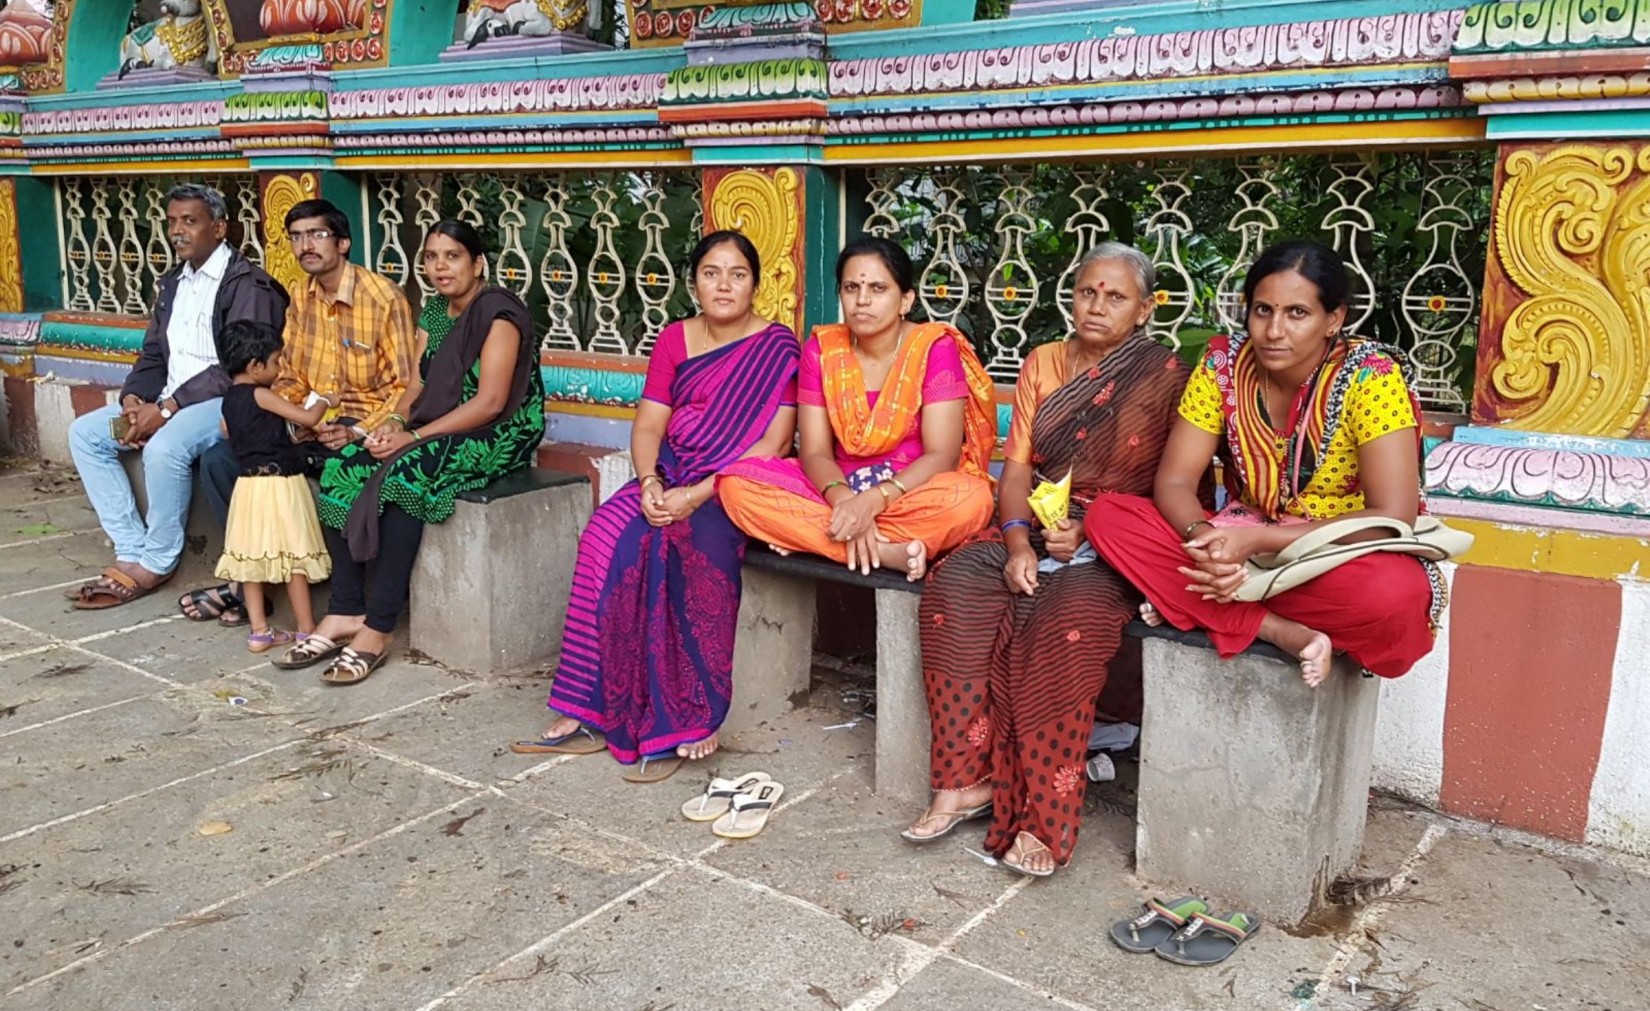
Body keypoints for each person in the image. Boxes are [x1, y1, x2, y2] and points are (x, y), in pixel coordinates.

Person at [903, 244, 1194, 878]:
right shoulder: (1044, 362)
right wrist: (1013, 541)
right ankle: (962, 781)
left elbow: (1172, 487)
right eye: (1088, 291)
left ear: (1144, 309)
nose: (1097, 306)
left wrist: (1091, 530)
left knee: (1062, 626)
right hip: (1033, 525)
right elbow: (1018, 471)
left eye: (1116, 297)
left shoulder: (1165, 375)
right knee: (954, 589)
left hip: (1116, 539)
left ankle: (1044, 818)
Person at [511, 231, 801, 782]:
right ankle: (593, 706)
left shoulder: (779, 347)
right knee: (605, 537)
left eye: (737, 273)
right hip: (668, 473)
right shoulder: (675, 338)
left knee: (682, 548)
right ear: (694, 281)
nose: (724, 284)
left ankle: (687, 719)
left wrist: (698, 495)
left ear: (756, 285)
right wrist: (647, 483)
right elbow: (648, 423)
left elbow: (772, 445)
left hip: (731, 485)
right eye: (712, 272)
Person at [1089, 239, 1441, 687]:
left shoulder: (1370, 377)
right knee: (1110, 517)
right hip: (1235, 544)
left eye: (1297, 313)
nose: (1274, 331)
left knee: (1394, 596)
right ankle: (1277, 629)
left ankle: (1195, 603)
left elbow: (1393, 514)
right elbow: (1175, 480)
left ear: (1334, 319)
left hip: (1333, 554)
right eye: (1262, 311)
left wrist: (1259, 541)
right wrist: (1206, 538)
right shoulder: (1222, 364)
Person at [272, 219, 545, 684]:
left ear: (477, 263)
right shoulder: (436, 313)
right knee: (343, 467)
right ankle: (345, 611)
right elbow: (416, 385)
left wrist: (414, 439)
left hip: (499, 431)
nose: (441, 267)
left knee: (404, 478)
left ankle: (378, 628)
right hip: (435, 423)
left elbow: (492, 402)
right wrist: (392, 425)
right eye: (432, 257)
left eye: (452, 256)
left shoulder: (497, 313)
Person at [179, 198, 416, 628]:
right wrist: (283, 419)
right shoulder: (300, 298)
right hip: (303, 422)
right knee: (220, 459)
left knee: (336, 474)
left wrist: (356, 429)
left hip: (358, 424)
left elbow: (402, 386)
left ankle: (270, 593)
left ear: (343, 243)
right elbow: (286, 375)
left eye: (317, 234)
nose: (306, 245)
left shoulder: (383, 298)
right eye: (297, 237)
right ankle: (252, 577)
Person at [718, 237, 995, 581]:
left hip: (909, 493)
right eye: (851, 287)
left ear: (905, 300)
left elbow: (943, 455)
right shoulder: (822, 349)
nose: (862, 300)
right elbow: (816, 451)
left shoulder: (933, 348)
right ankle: (883, 551)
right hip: (836, 488)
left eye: (878, 288)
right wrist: (845, 501)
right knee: (736, 486)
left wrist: (872, 502)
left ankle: (815, 539)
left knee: (972, 500)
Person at [68, 183, 290, 609]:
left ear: (220, 227)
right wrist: (135, 398)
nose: (178, 232)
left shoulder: (248, 286)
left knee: (165, 448)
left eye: (190, 221)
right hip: (166, 400)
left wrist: (167, 408)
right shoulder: (173, 282)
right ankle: (131, 548)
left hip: (221, 403)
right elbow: (154, 352)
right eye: (172, 222)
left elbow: (240, 370)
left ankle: (158, 560)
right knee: (87, 434)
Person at [210, 320, 334, 652]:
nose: (280, 369)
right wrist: (325, 400)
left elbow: (228, 432)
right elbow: (307, 419)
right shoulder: (261, 394)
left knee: (251, 559)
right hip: (281, 485)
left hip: (248, 488)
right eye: (276, 361)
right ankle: (307, 628)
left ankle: (260, 632)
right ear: (255, 365)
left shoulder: (229, 401)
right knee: (294, 557)